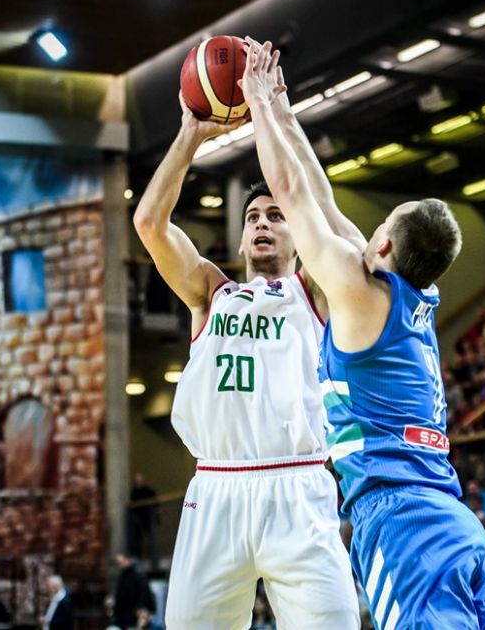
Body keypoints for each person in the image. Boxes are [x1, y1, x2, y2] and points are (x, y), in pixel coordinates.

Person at [241, 38, 485, 627]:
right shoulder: (404, 292)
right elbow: (321, 195)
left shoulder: (359, 293)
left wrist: (255, 103)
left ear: (382, 244)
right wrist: (281, 109)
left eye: (381, 222)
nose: (368, 229)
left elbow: (292, 195)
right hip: (449, 522)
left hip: (406, 523)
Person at [132, 47, 360, 628]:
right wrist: (190, 134)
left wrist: (272, 112)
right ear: (239, 241)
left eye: (276, 216)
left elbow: (313, 201)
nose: (262, 222)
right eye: (253, 217)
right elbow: (149, 223)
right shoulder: (210, 293)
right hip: (216, 488)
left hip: (300, 485)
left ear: (299, 234)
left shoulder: (317, 290)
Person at [111, 554, 155, 630]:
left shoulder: (138, 574)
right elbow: (119, 595)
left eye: (122, 562)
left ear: (128, 560)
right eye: (119, 563)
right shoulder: (122, 576)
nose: (120, 565)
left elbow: (144, 593)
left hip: (136, 613)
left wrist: (140, 607)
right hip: (125, 614)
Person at [127, 472, 159, 568]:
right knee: (138, 543)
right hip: (138, 522)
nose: (139, 483)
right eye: (137, 481)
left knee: (151, 542)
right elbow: (132, 507)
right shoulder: (134, 493)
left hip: (149, 520)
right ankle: (139, 563)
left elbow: (156, 504)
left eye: (140, 481)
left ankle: (154, 563)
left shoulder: (149, 491)